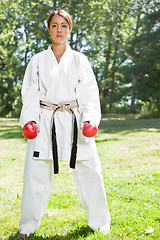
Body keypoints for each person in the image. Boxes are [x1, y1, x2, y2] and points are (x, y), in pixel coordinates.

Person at [19, 9, 111, 238]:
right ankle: (27, 227)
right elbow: (30, 93)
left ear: (70, 29)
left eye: (64, 26)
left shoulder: (80, 60)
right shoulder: (37, 60)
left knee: (91, 172)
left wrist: (90, 120)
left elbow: (90, 93)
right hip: (44, 121)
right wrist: (30, 121)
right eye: (54, 25)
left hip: (74, 121)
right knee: (34, 175)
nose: (59, 30)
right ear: (48, 29)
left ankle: (100, 224)